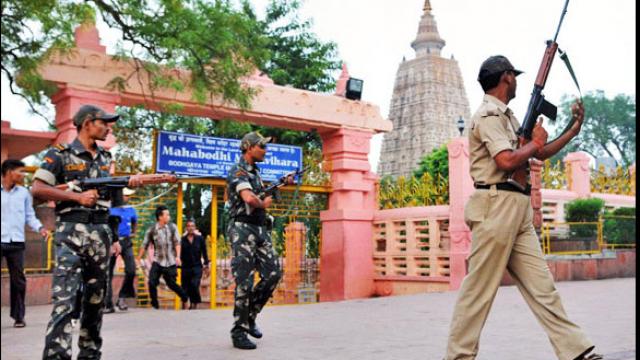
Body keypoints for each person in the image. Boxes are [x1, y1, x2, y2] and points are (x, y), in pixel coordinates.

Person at [443, 55, 602, 360]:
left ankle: (575, 350)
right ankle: (458, 357)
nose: (516, 81)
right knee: (478, 291)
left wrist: (572, 130)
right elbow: (505, 160)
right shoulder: (488, 114)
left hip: (515, 208)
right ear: (506, 78)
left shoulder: (509, 117)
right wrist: (534, 144)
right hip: (495, 206)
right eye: (514, 76)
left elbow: (537, 155)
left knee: (543, 288)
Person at [32, 104, 142, 359]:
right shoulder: (59, 154)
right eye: (104, 123)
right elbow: (37, 190)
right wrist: (75, 197)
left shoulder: (106, 158)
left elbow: (113, 204)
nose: (108, 128)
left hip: (101, 235)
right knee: (65, 302)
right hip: (71, 233)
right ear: (87, 123)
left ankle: (90, 353)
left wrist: (131, 184)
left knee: (95, 302)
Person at [226, 131, 293, 350]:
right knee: (244, 281)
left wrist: (281, 183)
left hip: (260, 229)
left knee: (273, 273)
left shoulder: (255, 174)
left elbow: (262, 191)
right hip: (242, 230)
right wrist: (263, 203)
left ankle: (250, 316)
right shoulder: (238, 171)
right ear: (248, 147)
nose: (265, 150)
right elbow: (249, 198)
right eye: (261, 147)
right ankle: (238, 331)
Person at [1, 159, 49, 328]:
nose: (23, 175)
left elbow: (30, 216)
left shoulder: (24, 194)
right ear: (9, 172)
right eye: (20, 171)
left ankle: (18, 316)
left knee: (19, 281)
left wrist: (41, 228)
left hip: (16, 242)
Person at [137, 205, 189, 310]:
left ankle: (185, 298)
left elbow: (177, 243)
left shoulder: (172, 227)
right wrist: (138, 259)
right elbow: (144, 244)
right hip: (158, 260)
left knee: (171, 284)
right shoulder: (152, 230)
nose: (169, 217)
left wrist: (178, 257)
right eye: (167, 215)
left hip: (170, 261)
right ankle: (155, 305)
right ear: (160, 217)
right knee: (152, 282)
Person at [104, 187, 138, 313]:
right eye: (125, 195)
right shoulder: (110, 209)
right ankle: (108, 304)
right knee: (108, 273)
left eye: (128, 195)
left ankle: (122, 298)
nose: (127, 197)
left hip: (126, 241)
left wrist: (133, 232)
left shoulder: (131, 209)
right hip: (112, 242)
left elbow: (135, 222)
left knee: (131, 270)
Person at [180, 219, 210, 309]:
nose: (190, 228)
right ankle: (185, 304)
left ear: (195, 227)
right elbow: (178, 253)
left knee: (194, 284)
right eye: (189, 226)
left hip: (197, 267)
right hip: (185, 267)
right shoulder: (182, 240)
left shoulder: (200, 239)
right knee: (185, 287)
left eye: (192, 226)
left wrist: (206, 264)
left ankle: (194, 303)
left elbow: (204, 252)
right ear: (186, 228)